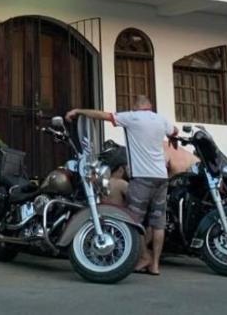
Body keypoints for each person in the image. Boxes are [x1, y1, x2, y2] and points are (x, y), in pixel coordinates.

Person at [67, 95, 176, 275]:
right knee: (158, 223)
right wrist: (172, 139)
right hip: (161, 177)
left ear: (136, 106)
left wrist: (78, 111)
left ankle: (144, 258)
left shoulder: (132, 117)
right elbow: (175, 132)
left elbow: (102, 115)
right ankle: (155, 265)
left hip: (142, 178)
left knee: (133, 220)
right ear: (150, 106)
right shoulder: (161, 119)